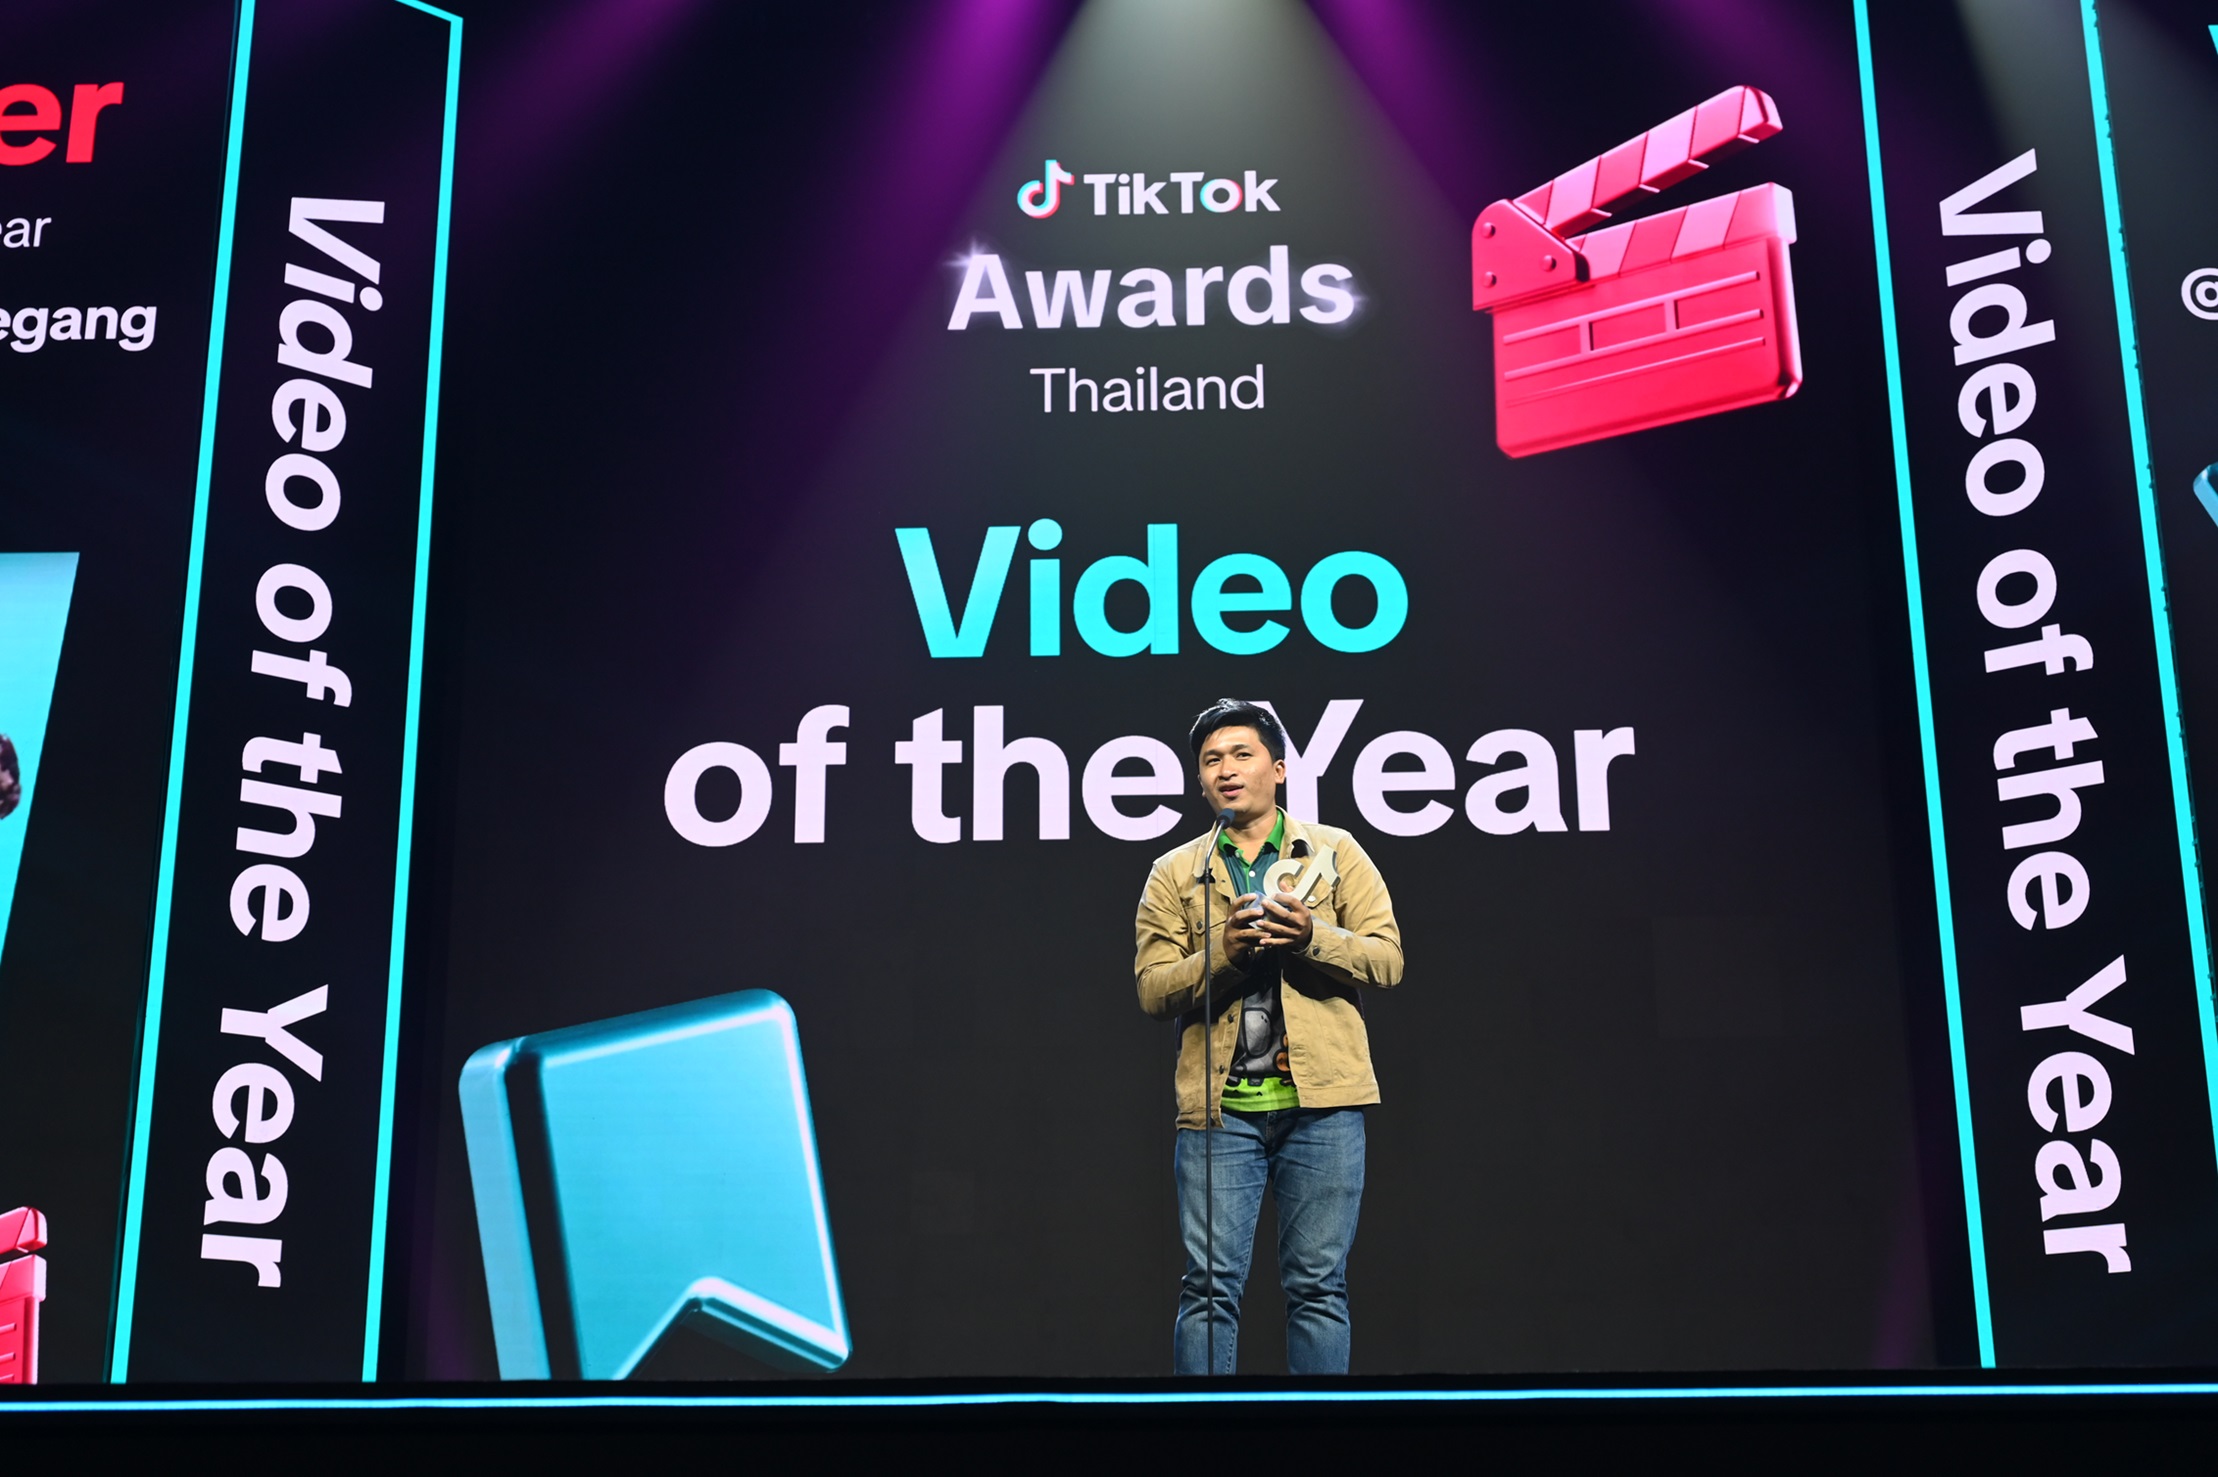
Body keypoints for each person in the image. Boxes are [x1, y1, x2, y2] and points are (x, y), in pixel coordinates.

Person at [1133, 698, 1404, 1376]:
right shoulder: (1176, 871)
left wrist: (1314, 937)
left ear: (1278, 769)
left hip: (1324, 1107)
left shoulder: (1336, 851)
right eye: (1211, 760)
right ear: (1200, 779)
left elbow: (1388, 960)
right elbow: (1153, 990)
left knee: (1319, 1289)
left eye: (1241, 754)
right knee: (1208, 1289)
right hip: (1220, 1112)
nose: (1226, 769)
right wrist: (1223, 954)